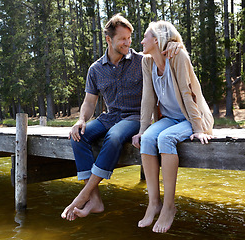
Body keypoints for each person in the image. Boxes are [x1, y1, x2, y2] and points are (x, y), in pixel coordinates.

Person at [61, 14, 181, 221]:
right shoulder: (95, 69)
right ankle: (95, 199)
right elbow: (90, 102)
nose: (128, 43)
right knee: (78, 136)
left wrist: (175, 46)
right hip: (109, 117)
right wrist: (81, 120)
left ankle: (83, 195)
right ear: (109, 40)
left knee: (114, 137)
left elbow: (167, 51)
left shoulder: (143, 61)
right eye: (122, 39)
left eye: (129, 38)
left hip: (134, 118)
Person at [132, 20, 214, 233]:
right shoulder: (147, 62)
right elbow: (147, 99)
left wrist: (198, 129)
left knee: (165, 139)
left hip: (190, 117)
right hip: (168, 119)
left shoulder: (178, 56)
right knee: (149, 139)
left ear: (157, 39)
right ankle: (154, 203)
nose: (141, 41)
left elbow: (188, 94)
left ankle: (169, 207)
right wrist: (142, 129)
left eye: (146, 36)